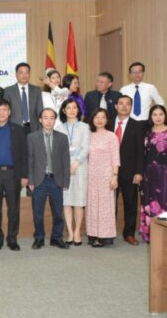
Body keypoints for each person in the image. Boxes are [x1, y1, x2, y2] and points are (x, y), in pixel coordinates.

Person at [0, 99, 28, 251]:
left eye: (4, 110)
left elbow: (24, 154)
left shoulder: (19, 129)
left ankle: (12, 238)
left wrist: (24, 175)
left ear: (9, 112)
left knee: (13, 209)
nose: (1, 113)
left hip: (13, 174)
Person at [27, 108, 70, 250]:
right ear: (40, 120)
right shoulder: (32, 137)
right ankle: (39, 238)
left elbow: (66, 160)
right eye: (45, 118)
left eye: (51, 118)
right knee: (38, 213)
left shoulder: (62, 138)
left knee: (58, 212)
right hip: (39, 180)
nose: (48, 121)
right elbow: (30, 161)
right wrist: (31, 181)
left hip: (56, 180)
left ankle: (56, 238)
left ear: (55, 120)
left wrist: (66, 181)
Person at [140, 105, 167, 242]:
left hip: (166, 173)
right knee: (149, 202)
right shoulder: (147, 133)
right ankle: (150, 235)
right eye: (155, 114)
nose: (158, 117)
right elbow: (144, 154)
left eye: (161, 114)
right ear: (151, 117)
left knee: (166, 201)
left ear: (165, 116)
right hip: (149, 173)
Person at [111, 95, 145, 245]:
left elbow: (140, 151)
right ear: (116, 106)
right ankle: (108, 232)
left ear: (131, 107)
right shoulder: (107, 123)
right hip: (110, 171)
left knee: (131, 204)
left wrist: (138, 172)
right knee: (109, 204)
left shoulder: (137, 126)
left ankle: (129, 234)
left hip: (130, 172)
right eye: (121, 103)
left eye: (128, 104)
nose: (124, 106)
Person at [55, 99, 89, 246]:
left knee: (79, 201)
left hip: (80, 167)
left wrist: (76, 163)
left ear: (78, 109)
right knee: (67, 201)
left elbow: (86, 148)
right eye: (68, 108)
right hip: (64, 168)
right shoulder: (59, 128)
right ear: (64, 111)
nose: (71, 110)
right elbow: (57, 150)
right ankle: (69, 231)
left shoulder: (84, 126)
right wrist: (66, 165)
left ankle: (77, 232)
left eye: (74, 107)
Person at [86, 108, 120, 248]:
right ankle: (93, 233)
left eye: (103, 117)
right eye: (97, 117)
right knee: (93, 205)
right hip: (91, 175)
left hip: (107, 175)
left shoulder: (111, 136)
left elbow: (115, 159)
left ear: (107, 120)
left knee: (106, 206)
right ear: (92, 119)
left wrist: (114, 177)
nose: (99, 120)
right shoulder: (88, 135)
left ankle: (105, 235)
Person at [3, 62, 43, 134]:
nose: (24, 75)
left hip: (33, 128)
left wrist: (40, 128)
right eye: (21, 73)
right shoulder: (8, 90)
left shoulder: (36, 90)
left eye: (26, 72)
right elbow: (6, 111)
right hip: (15, 128)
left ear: (29, 74)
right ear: (16, 74)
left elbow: (40, 110)